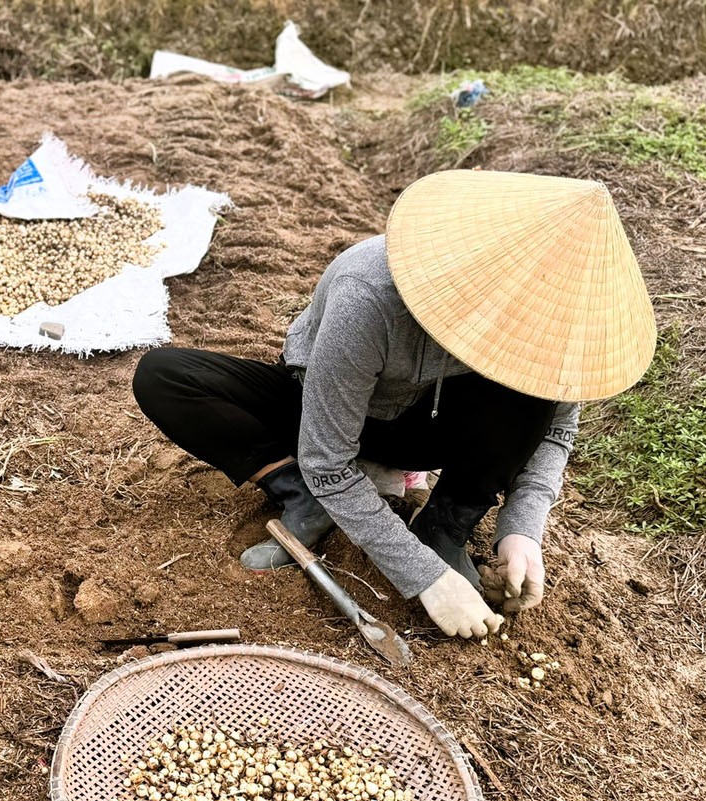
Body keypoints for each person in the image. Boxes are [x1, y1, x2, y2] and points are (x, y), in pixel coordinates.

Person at [132, 169, 654, 639]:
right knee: (166, 378)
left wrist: (521, 531)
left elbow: (554, 432)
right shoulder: (370, 295)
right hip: (330, 409)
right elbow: (329, 459)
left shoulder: (558, 330)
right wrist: (423, 578)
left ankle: (445, 526)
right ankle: (299, 492)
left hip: (433, 430)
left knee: (530, 400)